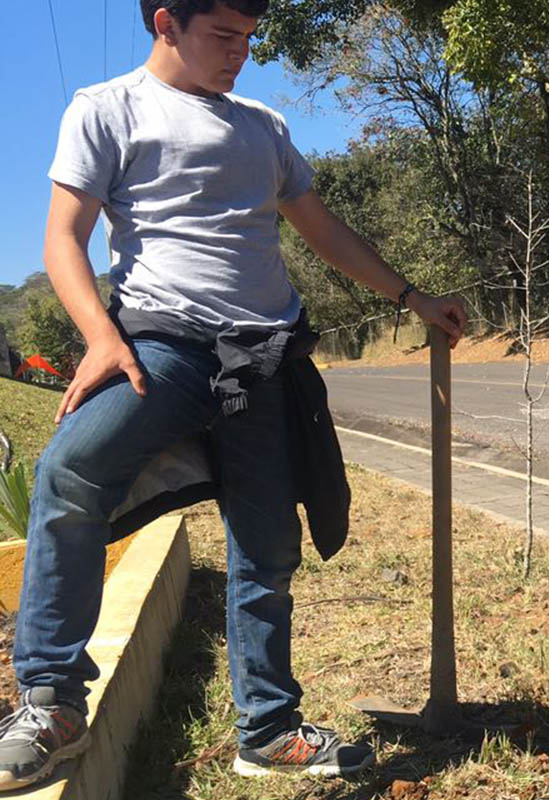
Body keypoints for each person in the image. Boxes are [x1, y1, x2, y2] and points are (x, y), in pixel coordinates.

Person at [0, 0, 466, 789]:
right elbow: (63, 238)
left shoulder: (262, 126)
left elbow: (321, 229)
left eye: (250, 39)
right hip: (163, 352)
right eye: (224, 36)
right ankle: (51, 704)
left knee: (266, 548)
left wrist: (410, 297)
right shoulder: (107, 110)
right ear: (165, 23)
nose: (240, 54)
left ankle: (268, 728)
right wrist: (101, 338)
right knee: (70, 472)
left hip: (266, 361)